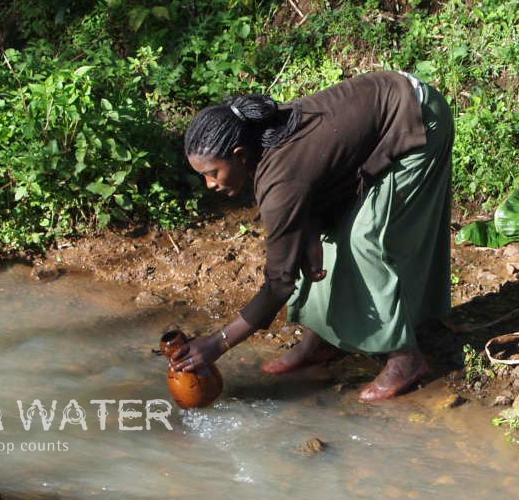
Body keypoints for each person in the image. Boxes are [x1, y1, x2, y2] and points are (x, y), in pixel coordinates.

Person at [168, 71, 454, 402]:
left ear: (239, 155)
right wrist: (311, 228)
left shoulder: (279, 182)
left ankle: (405, 358)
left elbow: (279, 283)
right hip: (382, 115)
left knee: (364, 241)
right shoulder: (265, 139)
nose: (210, 185)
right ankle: (323, 340)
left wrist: (218, 342)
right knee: (323, 240)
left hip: (416, 118)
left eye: (212, 173)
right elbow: (319, 171)